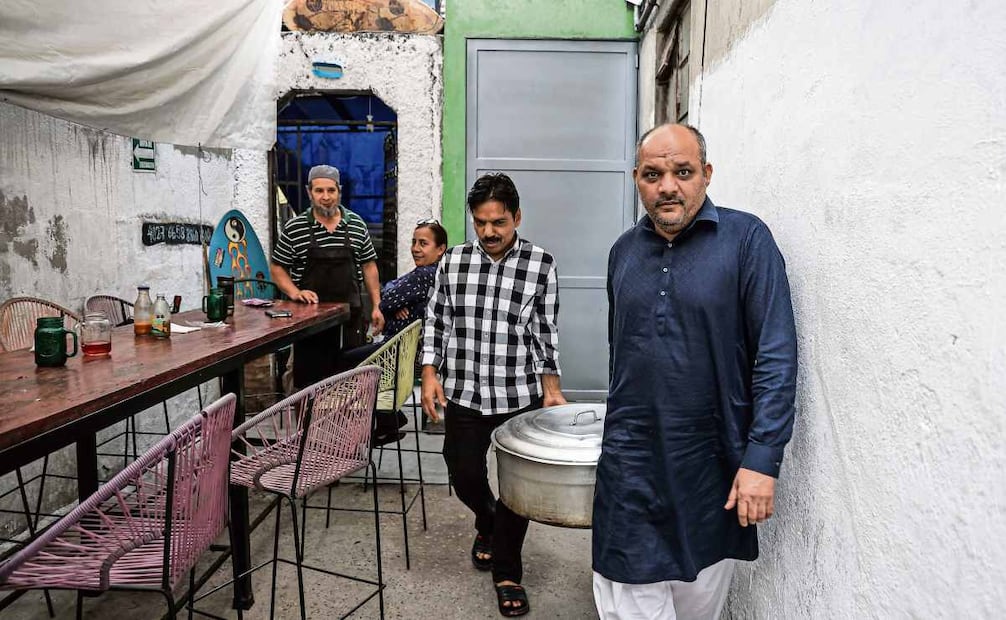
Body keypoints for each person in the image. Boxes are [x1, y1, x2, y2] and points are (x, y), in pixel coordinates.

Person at [593, 124, 798, 619]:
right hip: (631, 468)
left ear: (706, 175)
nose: (668, 186)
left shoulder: (747, 240)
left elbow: (775, 354)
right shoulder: (623, 252)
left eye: (682, 172)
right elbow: (621, 359)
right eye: (653, 174)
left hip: (711, 472)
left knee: (696, 609)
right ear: (637, 180)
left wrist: (762, 459)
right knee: (627, 599)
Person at [421, 172, 566, 617]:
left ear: (516, 217)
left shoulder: (541, 263)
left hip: (517, 393)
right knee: (462, 472)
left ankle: (508, 572)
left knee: (516, 490)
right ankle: (488, 521)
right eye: (481, 222)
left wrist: (552, 389)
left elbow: (545, 332)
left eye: (499, 222)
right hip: (464, 390)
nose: (489, 232)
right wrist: (429, 372)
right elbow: (437, 321)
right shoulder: (454, 262)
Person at [271, 164, 385, 388]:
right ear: (309, 192)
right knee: (310, 385)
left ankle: (349, 424)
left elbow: (369, 266)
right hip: (310, 322)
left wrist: (377, 305)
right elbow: (277, 267)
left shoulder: (356, 225)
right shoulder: (296, 228)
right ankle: (309, 422)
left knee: (351, 381)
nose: (325, 197)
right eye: (319, 191)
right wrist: (295, 292)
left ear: (339, 191)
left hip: (351, 320)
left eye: (331, 191)